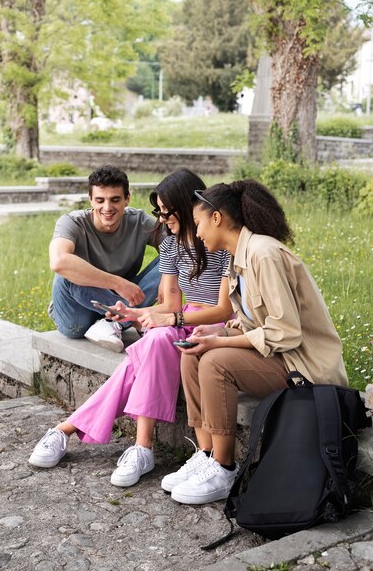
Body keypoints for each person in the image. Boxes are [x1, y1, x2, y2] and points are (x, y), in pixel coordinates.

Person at [29, 169, 234, 487]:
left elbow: (224, 309)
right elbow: (170, 305)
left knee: (145, 352)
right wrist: (134, 313)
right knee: (156, 340)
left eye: (168, 211)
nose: (163, 219)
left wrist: (163, 317)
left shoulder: (222, 244)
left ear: (189, 206)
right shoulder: (172, 245)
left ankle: (72, 430)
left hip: (212, 323)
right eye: (159, 212)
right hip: (178, 319)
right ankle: (141, 448)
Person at [163, 178, 348, 506]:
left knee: (215, 362)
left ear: (217, 218)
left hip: (305, 368)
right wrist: (219, 333)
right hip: (280, 358)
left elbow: (286, 332)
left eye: (200, 222)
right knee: (192, 353)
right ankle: (206, 454)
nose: (198, 231)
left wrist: (220, 344)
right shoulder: (239, 258)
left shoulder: (263, 254)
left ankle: (224, 467)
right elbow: (254, 321)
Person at [49, 164, 161, 352]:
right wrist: (118, 283)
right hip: (76, 318)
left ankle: (114, 323)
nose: (107, 208)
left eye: (115, 200)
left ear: (127, 199)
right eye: (100, 200)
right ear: (90, 200)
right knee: (67, 271)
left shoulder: (139, 222)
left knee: (174, 255)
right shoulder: (72, 222)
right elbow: (58, 261)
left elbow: (181, 250)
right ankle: (135, 318)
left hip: (118, 305)